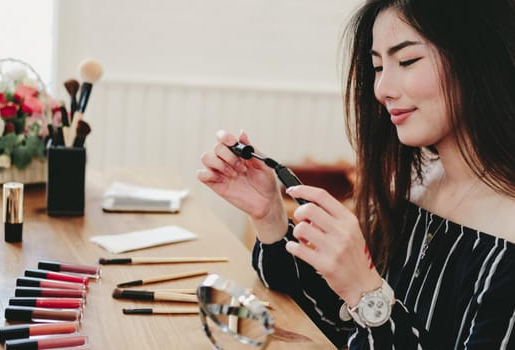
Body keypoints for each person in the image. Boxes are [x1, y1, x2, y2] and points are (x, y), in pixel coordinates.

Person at [197, 0, 515, 348]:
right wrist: (271, 217)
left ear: (479, 60)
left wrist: (367, 292)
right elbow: (345, 322)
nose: (382, 89)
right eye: (378, 66)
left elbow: (366, 310)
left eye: (407, 61)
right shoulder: (414, 186)